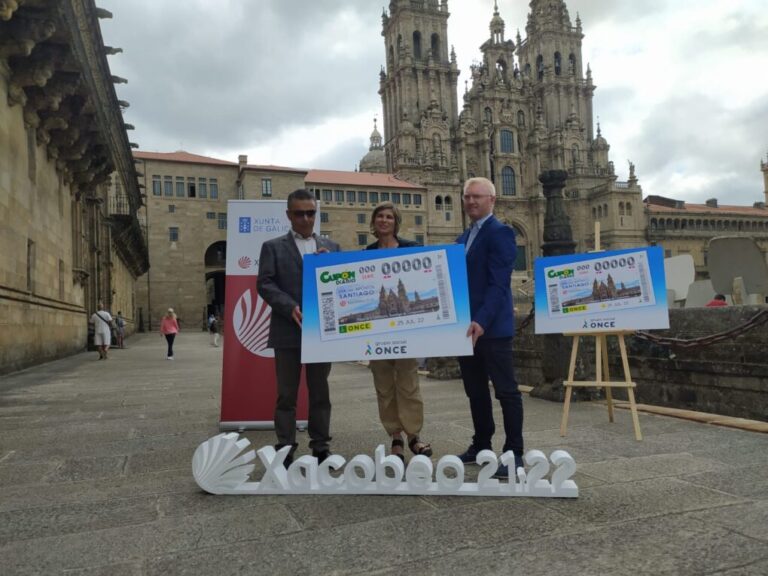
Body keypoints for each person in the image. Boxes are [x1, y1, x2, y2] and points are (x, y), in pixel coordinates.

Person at [257, 188, 340, 466]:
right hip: (286, 330)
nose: (306, 218)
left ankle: (321, 446)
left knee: (320, 393)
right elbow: (264, 283)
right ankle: (285, 447)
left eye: (310, 213)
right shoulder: (272, 247)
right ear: (288, 215)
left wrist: (332, 266)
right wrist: (289, 306)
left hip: (320, 333)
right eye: (299, 213)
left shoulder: (332, 247)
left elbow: (342, 284)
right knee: (286, 395)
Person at [456, 177, 524, 479]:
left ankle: (514, 453)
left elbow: (499, 284)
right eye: (467, 196)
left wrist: (481, 321)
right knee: (476, 392)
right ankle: (482, 444)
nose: (471, 201)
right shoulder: (462, 238)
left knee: (506, 392)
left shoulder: (501, 233)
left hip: (491, 329)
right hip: (466, 330)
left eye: (477, 196)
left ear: (492, 200)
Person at [365, 202, 432, 461]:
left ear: (396, 222)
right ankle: (395, 436)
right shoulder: (366, 253)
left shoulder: (411, 249)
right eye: (380, 216)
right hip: (377, 335)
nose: (384, 220)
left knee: (408, 384)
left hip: (407, 333)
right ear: (374, 221)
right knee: (383, 386)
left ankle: (414, 436)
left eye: (389, 217)